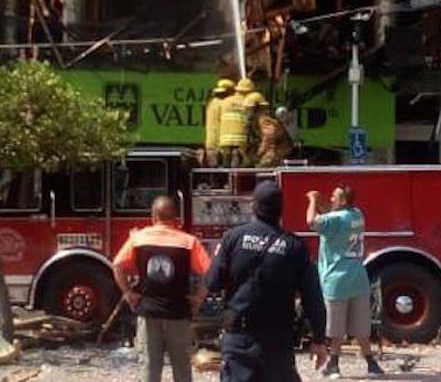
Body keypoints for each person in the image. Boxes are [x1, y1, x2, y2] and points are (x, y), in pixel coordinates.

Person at [206, 181, 329, 381]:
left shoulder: (233, 238)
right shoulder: (294, 246)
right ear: (281, 210)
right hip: (277, 341)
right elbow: (312, 297)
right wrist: (318, 339)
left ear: (253, 206)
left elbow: (213, 282)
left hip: (239, 338)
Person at [112, 196, 212, 382]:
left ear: (153, 216)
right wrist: (198, 298)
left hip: (148, 312)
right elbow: (209, 272)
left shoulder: (138, 238)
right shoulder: (189, 242)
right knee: (182, 369)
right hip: (178, 313)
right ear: (176, 218)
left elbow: (117, 266)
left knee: (150, 369)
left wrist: (128, 293)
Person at [306, 186, 384, 378]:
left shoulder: (335, 220)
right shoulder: (357, 215)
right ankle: (371, 363)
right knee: (361, 327)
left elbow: (311, 221)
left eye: (334, 196)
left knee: (336, 329)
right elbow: (333, 216)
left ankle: (334, 364)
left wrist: (313, 200)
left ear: (342, 201)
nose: (331, 198)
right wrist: (325, 203)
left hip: (336, 280)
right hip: (358, 278)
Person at [218, 78, 254, 168]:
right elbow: (250, 120)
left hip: (225, 138)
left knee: (226, 163)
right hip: (241, 139)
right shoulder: (248, 103)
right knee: (238, 164)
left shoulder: (225, 102)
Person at [203, 78, 235, 167]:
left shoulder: (211, 103)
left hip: (210, 142)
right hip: (221, 144)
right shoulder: (225, 104)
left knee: (213, 171)